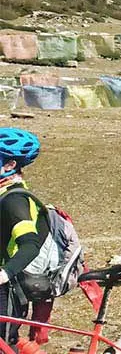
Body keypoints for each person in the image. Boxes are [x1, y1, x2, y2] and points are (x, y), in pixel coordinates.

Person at [0, 128, 50, 354]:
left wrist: (5, 273)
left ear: (9, 165)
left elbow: (30, 245)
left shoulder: (15, 200)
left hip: (6, 290)